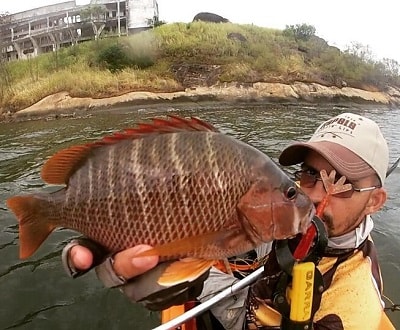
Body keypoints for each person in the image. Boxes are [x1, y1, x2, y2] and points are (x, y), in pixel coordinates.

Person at [62, 112, 393, 329]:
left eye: (342, 183)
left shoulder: (351, 312)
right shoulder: (277, 225)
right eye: (309, 174)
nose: (318, 195)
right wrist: (176, 275)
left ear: (375, 201)